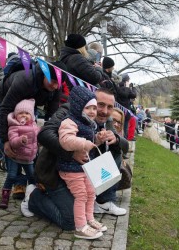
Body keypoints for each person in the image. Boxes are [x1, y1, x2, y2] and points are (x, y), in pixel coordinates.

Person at [23, 88, 128, 230]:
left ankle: (103, 200)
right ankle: (34, 197)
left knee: (115, 150)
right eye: (100, 104)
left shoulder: (107, 120)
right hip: (55, 172)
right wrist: (72, 153)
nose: (104, 111)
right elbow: (44, 134)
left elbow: (125, 145)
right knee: (72, 221)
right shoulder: (70, 110)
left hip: (82, 172)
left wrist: (115, 139)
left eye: (110, 107)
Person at [0, 60, 61, 200]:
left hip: (30, 103)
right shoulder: (25, 80)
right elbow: (4, 109)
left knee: (29, 137)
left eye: (57, 83)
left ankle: (35, 179)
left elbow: (52, 115)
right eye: (52, 81)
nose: (54, 86)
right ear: (44, 75)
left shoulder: (56, 87)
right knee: (11, 139)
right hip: (4, 100)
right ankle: (18, 182)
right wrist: (6, 141)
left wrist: (44, 137)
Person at [58, 86, 107, 239]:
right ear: (79, 107)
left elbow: (90, 146)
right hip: (71, 169)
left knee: (91, 192)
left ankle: (89, 219)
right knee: (81, 195)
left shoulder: (89, 124)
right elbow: (66, 140)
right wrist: (84, 143)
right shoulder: (69, 122)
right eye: (88, 108)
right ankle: (80, 226)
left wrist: (97, 140)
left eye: (94, 107)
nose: (93, 111)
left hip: (84, 168)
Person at [0, 99, 39, 209]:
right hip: (15, 156)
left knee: (32, 177)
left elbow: (37, 138)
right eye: (21, 113)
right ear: (16, 115)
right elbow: (12, 141)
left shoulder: (34, 126)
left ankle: (34, 196)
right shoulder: (14, 126)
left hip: (28, 158)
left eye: (27, 113)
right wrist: (20, 140)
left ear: (31, 115)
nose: (24, 115)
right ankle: (5, 196)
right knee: (11, 176)